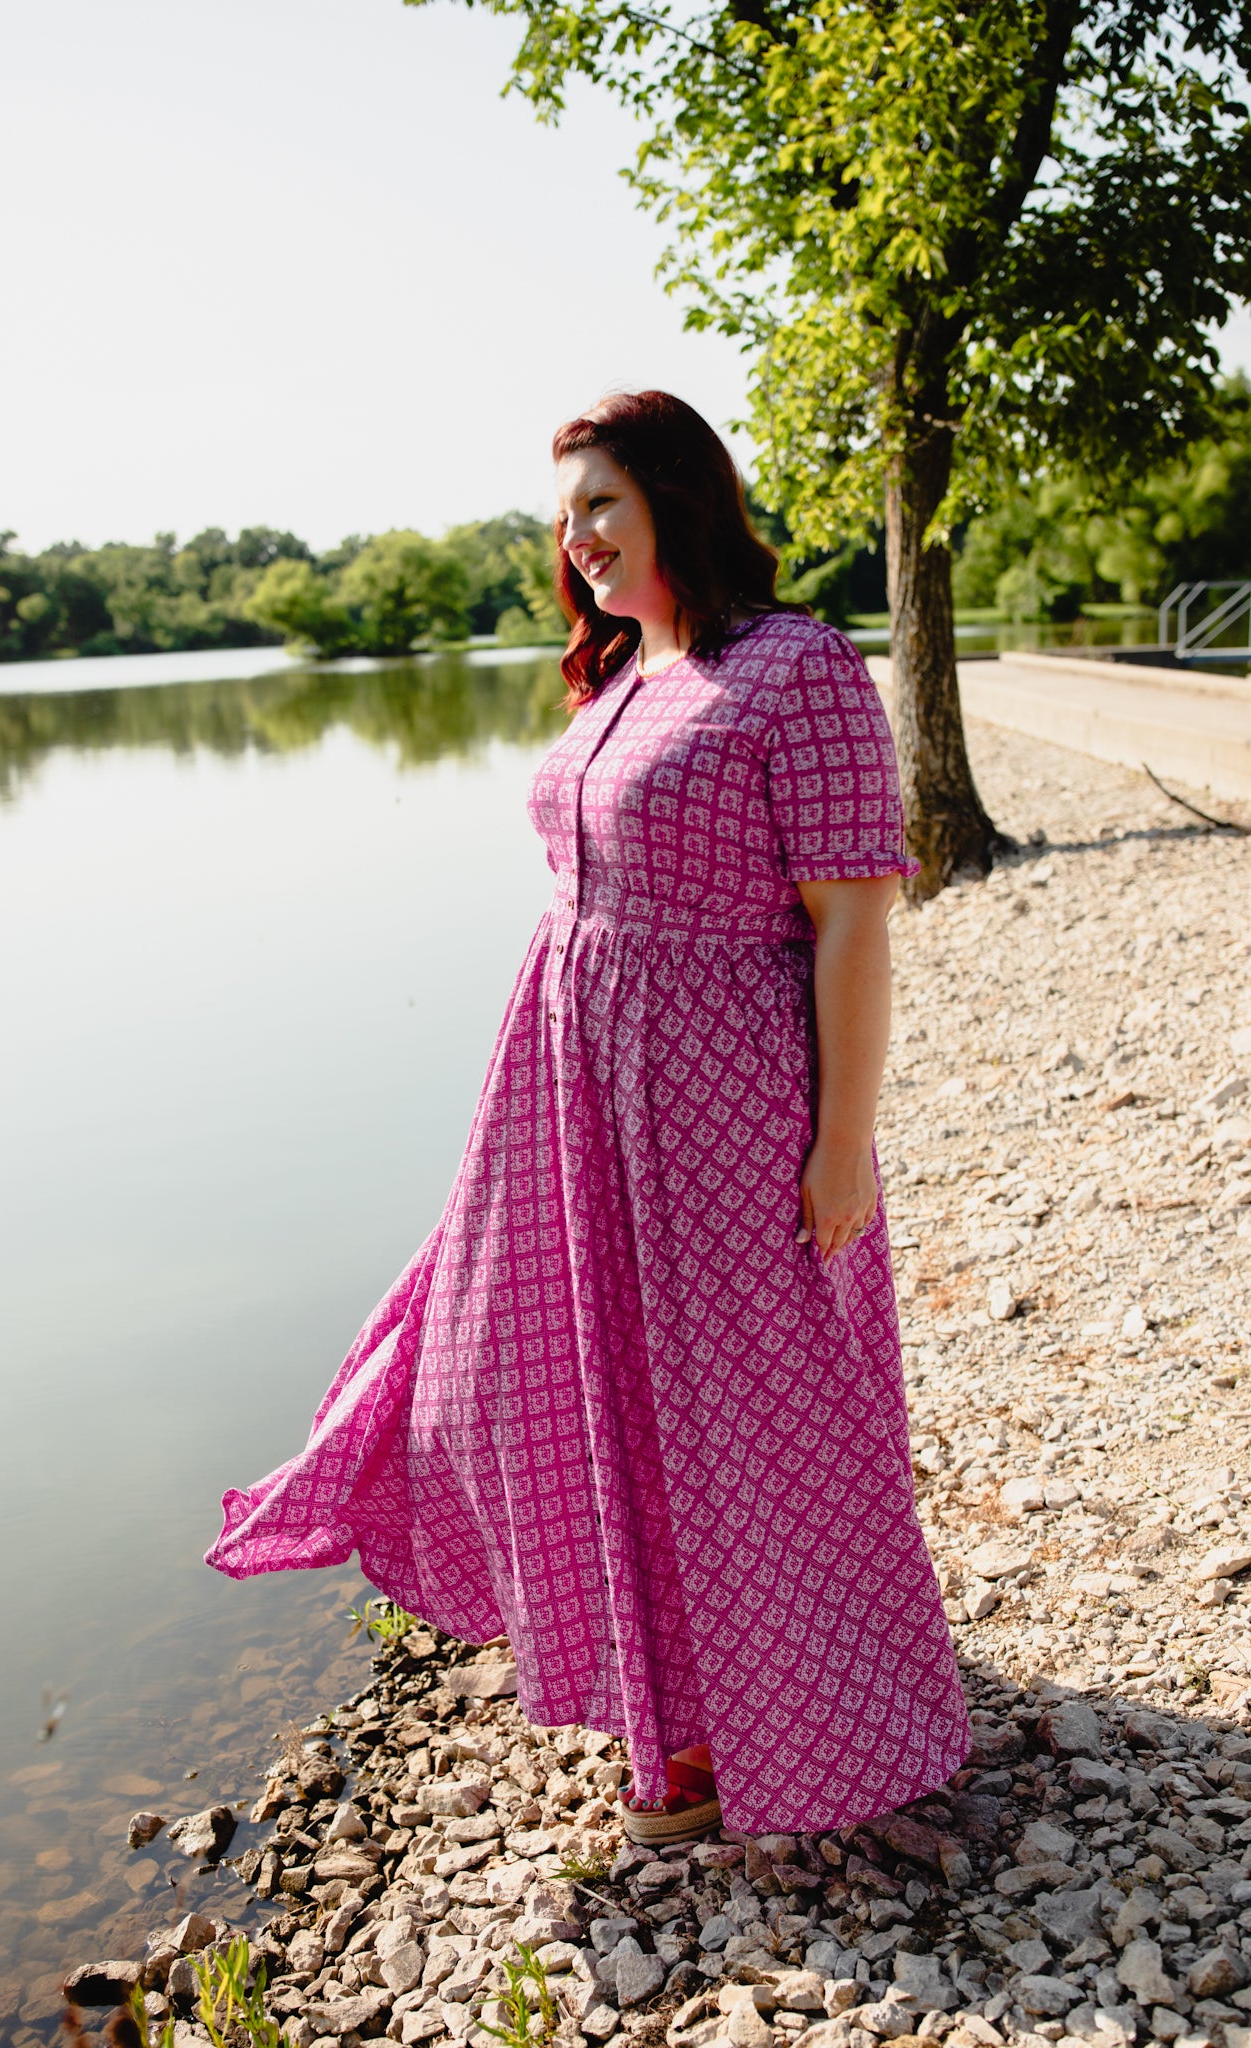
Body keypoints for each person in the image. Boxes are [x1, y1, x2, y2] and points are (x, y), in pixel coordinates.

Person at [207, 390, 969, 1846]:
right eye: (562, 516)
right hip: (571, 1112)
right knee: (557, 1401)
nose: (576, 540)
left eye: (600, 504)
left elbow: (852, 923)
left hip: (724, 1106)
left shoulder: (793, 668)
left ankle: (824, 1727)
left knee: (757, 1424)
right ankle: (666, 1702)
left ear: (677, 497)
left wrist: (836, 1142)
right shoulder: (622, 675)